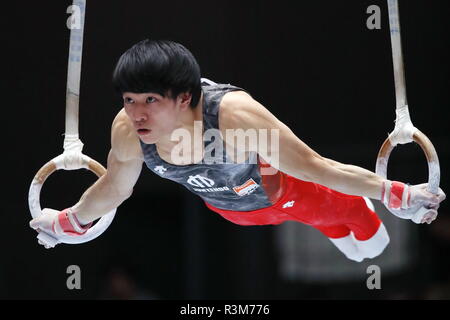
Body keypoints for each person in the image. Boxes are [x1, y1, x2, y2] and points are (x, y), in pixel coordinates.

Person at [29, 39, 446, 262]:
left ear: (183, 97)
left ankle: (355, 213)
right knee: (355, 249)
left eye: (150, 101)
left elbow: (315, 166)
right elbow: (114, 189)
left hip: (287, 191)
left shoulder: (233, 118)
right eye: (129, 100)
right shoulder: (127, 129)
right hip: (232, 211)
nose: (137, 113)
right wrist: (70, 221)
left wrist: (397, 193)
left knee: (371, 249)